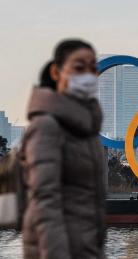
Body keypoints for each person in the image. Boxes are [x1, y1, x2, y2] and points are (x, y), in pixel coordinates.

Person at [21, 39, 107, 259]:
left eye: (93, 69)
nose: (88, 76)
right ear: (56, 72)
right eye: (79, 68)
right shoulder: (47, 126)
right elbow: (45, 202)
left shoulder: (87, 131)